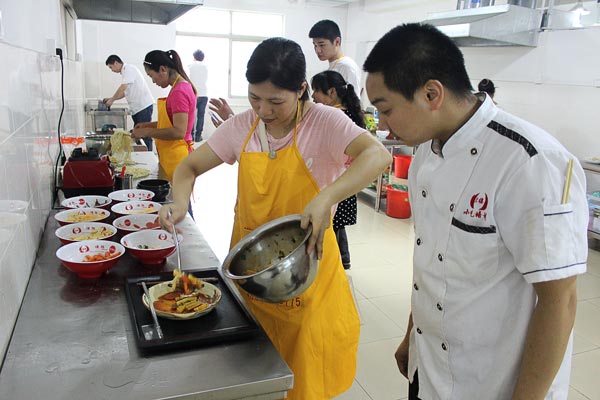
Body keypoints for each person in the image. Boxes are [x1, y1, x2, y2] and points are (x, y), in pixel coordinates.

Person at [363, 23, 587, 400]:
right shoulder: (425, 151)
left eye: (386, 110)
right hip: (429, 365)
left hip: (492, 381)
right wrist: (411, 336)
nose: (382, 125)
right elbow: (432, 258)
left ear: (431, 93)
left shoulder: (530, 162)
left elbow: (559, 300)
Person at [159, 37, 391, 399]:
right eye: (255, 98)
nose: (263, 110)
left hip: (307, 275)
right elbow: (188, 166)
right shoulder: (243, 126)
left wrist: (326, 197)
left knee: (304, 379)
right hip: (252, 275)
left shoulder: (324, 122)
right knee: (256, 379)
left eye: (275, 101)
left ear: (301, 90)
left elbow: (377, 156)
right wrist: (178, 201)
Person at [311, 70, 364, 269]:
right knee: (337, 225)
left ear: (332, 92)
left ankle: (339, 261)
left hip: (338, 180)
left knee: (334, 224)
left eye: (317, 90)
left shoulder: (337, 117)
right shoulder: (349, 112)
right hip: (347, 180)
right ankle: (344, 259)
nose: (314, 96)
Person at [131, 49, 196, 184]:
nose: (153, 81)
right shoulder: (180, 87)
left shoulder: (179, 91)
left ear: (162, 69)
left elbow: (179, 131)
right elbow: (171, 123)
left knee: (177, 202)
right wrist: (147, 125)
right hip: (171, 157)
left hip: (177, 159)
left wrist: (147, 132)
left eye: (151, 76)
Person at [104, 55, 155, 151]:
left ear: (116, 63)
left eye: (111, 67)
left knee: (144, 134)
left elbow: (123, 87)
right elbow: (124, 92)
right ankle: (143, 155)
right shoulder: (125, 73)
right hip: (137, 108)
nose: (112, 70)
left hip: (143, 106)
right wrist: (112, 98)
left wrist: (112, 100)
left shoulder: (129, 69)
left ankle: (148, 156)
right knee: (138, 134)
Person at [309, 19, 362, 99]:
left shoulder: (347, 67)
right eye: (315, 45)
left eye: (322, 45)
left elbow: (354, 103)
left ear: (337, 42)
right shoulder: (334, 66)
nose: (317, 50)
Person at [188, 49, 209, 142]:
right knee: (201, 116)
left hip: (194, 94)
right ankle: (198, 136)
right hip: (204, 94)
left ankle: (191, 136)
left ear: (194, 57)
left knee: (192, 115)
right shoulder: (205, 67)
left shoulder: (190, 66)